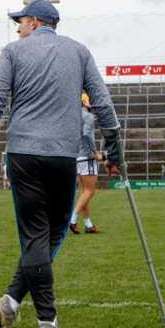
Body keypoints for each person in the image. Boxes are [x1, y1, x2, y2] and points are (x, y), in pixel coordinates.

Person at [0, 0, 120, 328]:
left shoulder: (11, 52)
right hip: (62, 156)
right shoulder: (79, 51)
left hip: (23, 154)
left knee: (42, 233)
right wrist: (115, 151)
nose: (17, 27)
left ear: (35, 22)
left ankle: (11, 301)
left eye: (19, 21)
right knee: (49, 231)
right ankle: (46, 319)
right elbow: (103, 103)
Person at [69, 93, 103, 235]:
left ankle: (88, 224)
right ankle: (73, 219)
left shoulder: (72, 117)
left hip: (76, 157)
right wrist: (95, 152)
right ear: (85, 102)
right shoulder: (88, 116)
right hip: (87, 157)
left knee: (84, 193)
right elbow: (87, 133)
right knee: (90, 191)